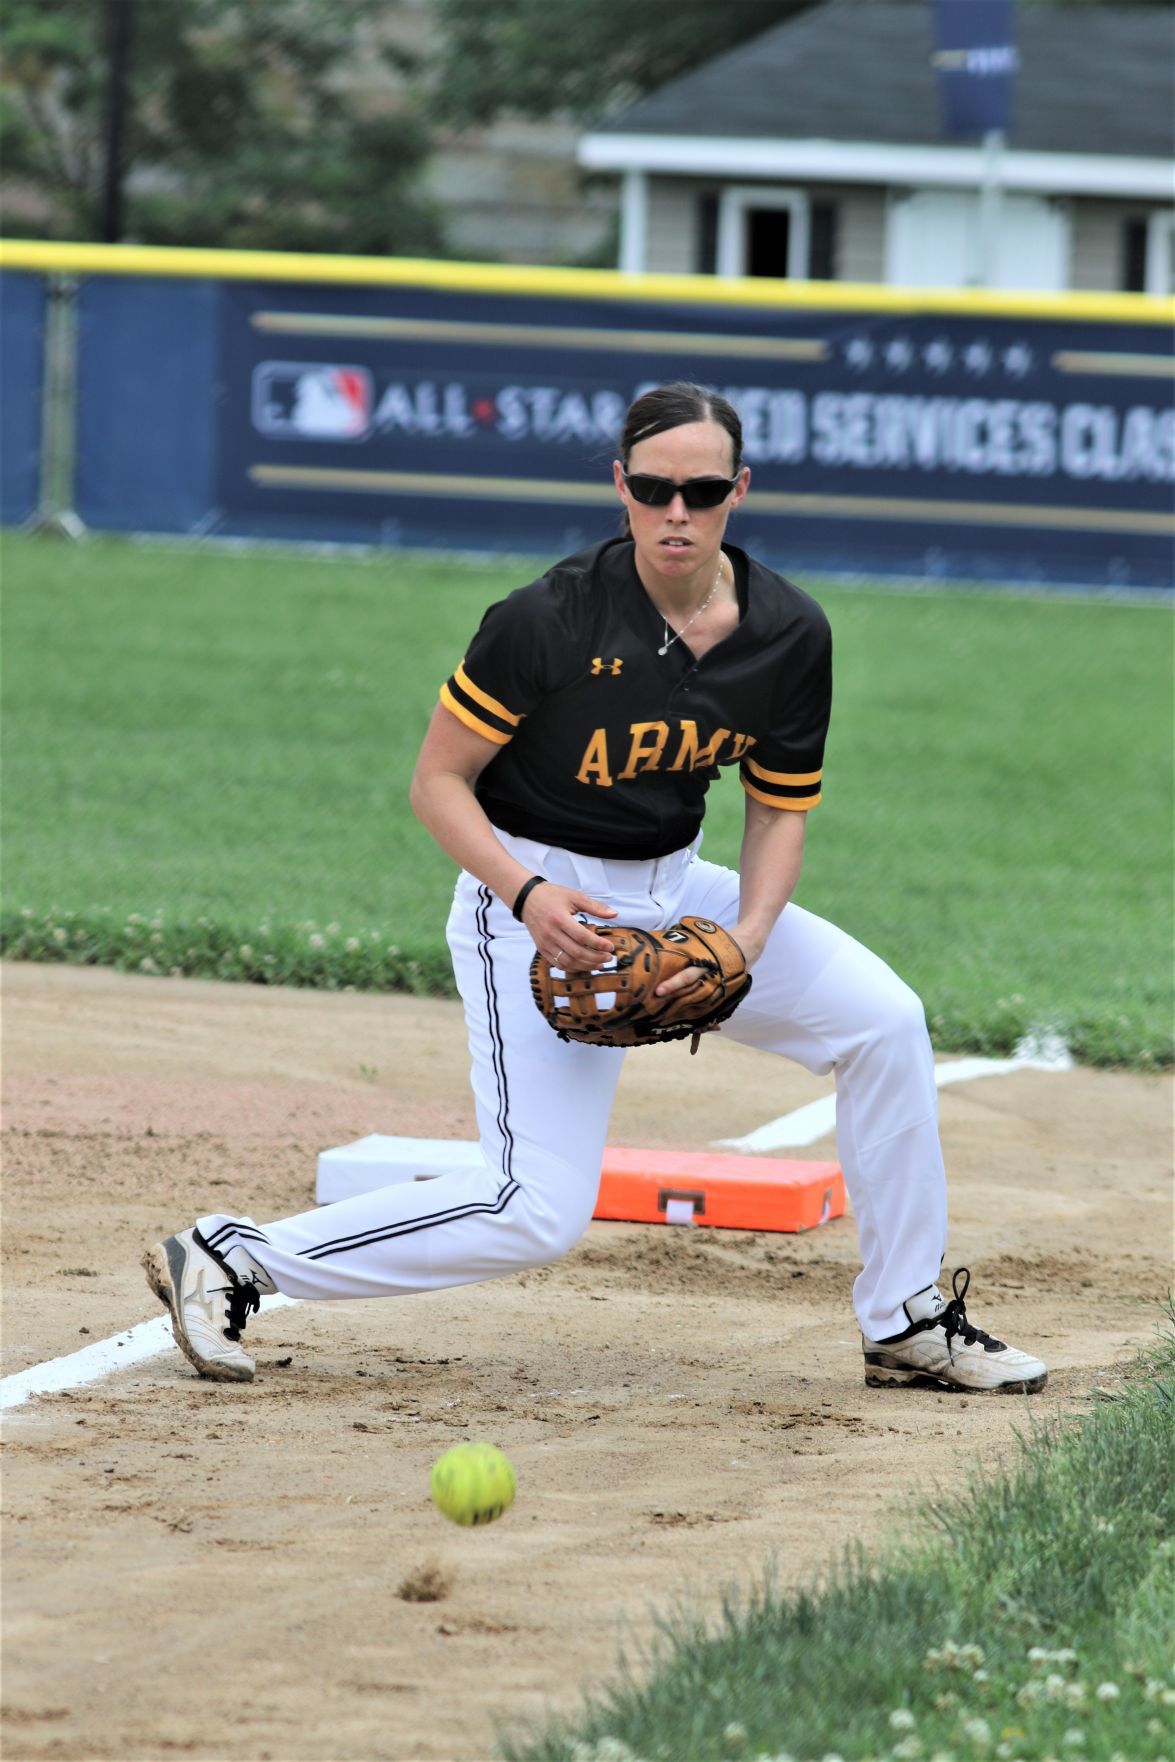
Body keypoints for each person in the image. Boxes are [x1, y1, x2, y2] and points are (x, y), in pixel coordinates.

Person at [143, 381, 1047, 1397]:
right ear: (619, 486)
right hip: (531, 906)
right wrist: (525, 896)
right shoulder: (547, 620)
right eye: (655, 487)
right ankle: (234, 1255)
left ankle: (905, 1320)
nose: (677, 511)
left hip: (681, 894)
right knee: (534, 1208)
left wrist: (744, 935)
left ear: (737, 491)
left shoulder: (789, 635)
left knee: (883, 1021)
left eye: (701, 490)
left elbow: (776, 808)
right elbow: (436, 784)